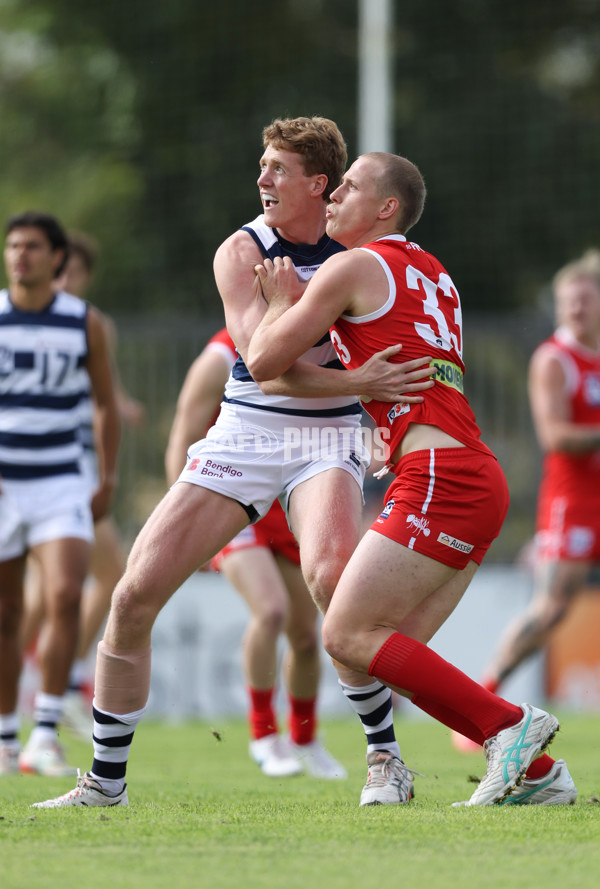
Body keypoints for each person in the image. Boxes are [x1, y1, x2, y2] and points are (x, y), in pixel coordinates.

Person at [32, 116, 435, 808]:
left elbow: (377, 337)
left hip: (326, 438)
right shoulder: (241, 250)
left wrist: (340, 370)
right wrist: (357, 379)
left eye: (277, 168)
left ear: (319, 184)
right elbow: (267, 367)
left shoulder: (354, 251)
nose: (262, 178)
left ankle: (385, 757)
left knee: (332, 584)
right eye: (261, 164)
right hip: (246, 430)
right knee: (132, 597)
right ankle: (104, 782)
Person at [244, 151, 575, 806]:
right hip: (471, 474)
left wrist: (281, 303)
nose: (332, 196)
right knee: (378, 652)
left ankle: (511, 724)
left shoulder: (353, 265)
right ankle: (539, 776)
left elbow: (262, 361)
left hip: (438, 477)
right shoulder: (432, 271)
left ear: (386, 208)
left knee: (344, 634)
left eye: (348, 187)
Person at [165, 326, 346, 779]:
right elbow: (182, 435)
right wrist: (187, 525)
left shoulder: (323, 339)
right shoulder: (220, 356)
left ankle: (305, 740)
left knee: (307, 636)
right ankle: (264, 735)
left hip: (288, 506)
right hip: (232, 498)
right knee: (270, 611)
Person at [450, 251, 600, 786]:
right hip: (573, 501)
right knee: (554, 608)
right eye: (568, 302)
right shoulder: (554, 360)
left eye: (585, 300)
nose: (576, 310)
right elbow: (556, 437)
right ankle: (485, 700)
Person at [0, 211, 120, 777]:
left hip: (60, 480)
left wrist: (108, 474)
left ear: (56, 258)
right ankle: (4, 738)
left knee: (68, 592)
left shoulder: (84, 322)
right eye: (13, 246)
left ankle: (44, 733)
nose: (20, 256)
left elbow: (104, 402)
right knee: (6, 611)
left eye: (31, 247)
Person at [19, 231, 145, 741]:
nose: (63, 282)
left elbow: (103, 392)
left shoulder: (88, 323)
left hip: (73, 474)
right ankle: (64, 679)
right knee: (104, 578)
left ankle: (58, 680)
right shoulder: (20, 321)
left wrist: (121, 408)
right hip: (39, 472)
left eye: (73, 274)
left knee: (47, 596)